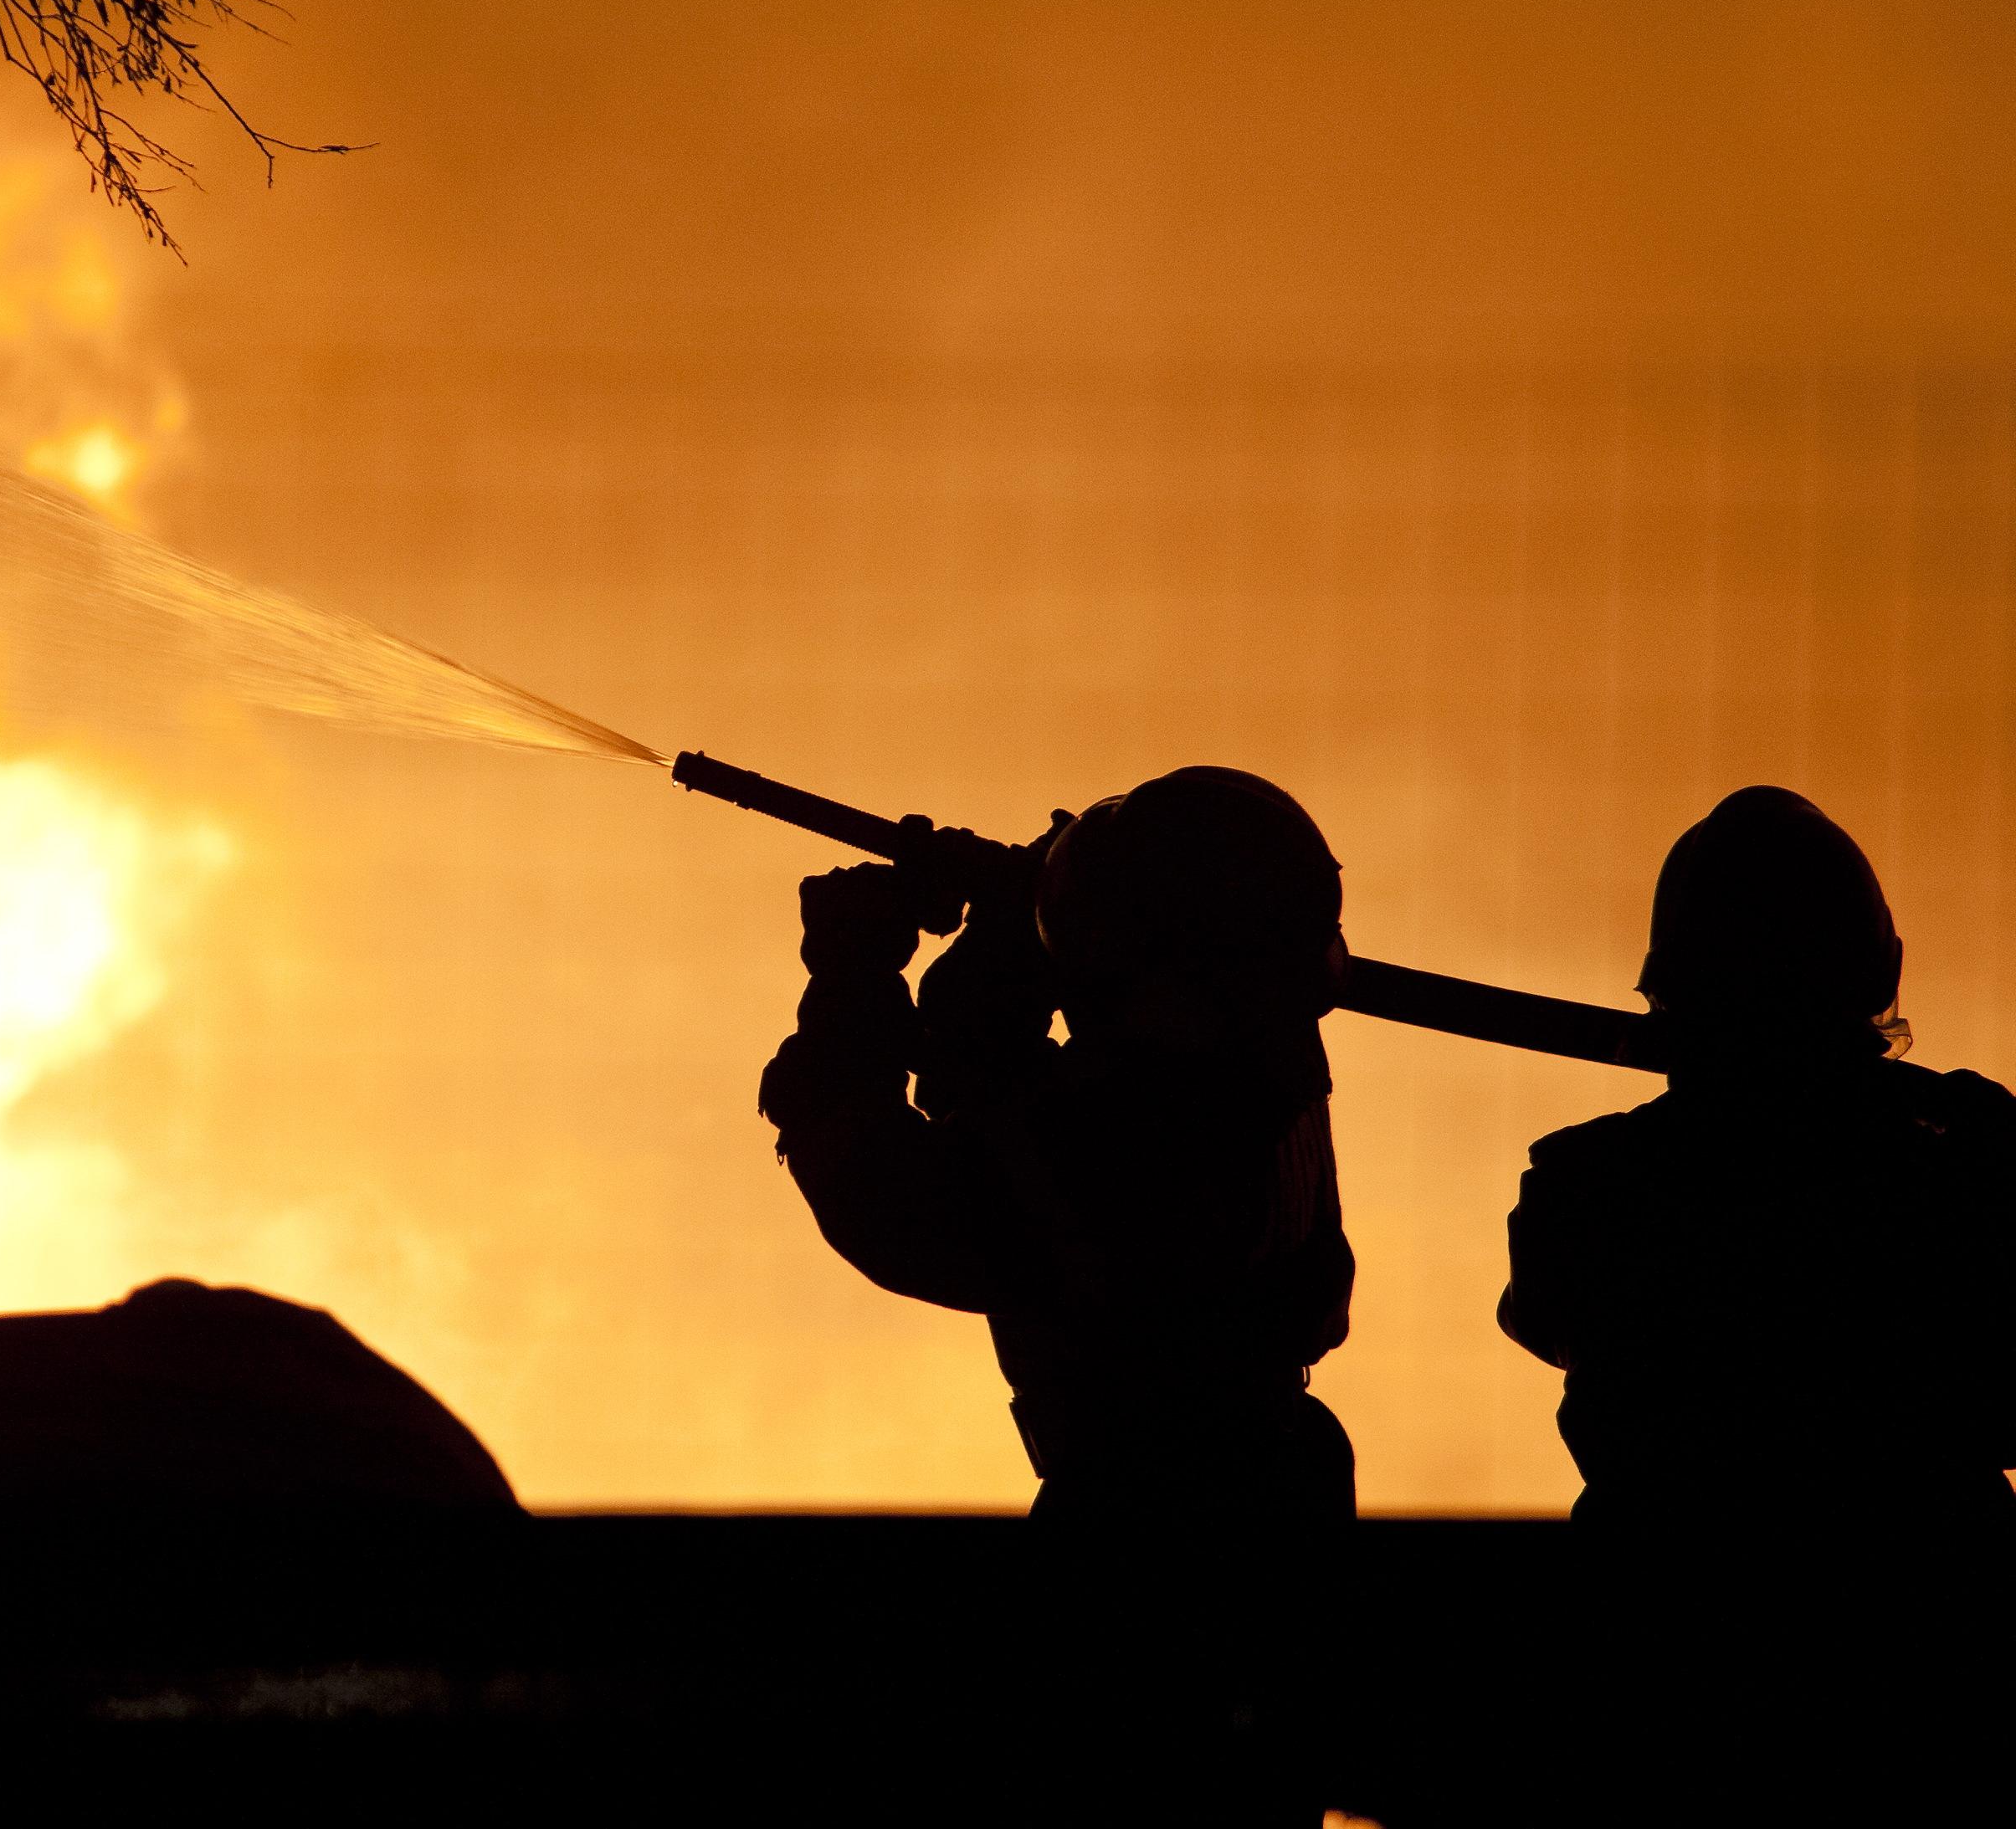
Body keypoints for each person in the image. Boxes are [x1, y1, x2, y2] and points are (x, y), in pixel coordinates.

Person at [757, 766, 1357, 1820]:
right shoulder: (1256, 1064)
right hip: (1262, 1512)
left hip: (1143, 1560)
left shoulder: (1137, 1135)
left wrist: (855, 975)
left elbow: (894, 1200)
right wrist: (1010, 926)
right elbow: (1012, 1086)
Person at [1497, 786, 2016, 1812]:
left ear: (1668, 994)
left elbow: (1545, 1314)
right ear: (1873, 979)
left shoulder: (1591, 1185)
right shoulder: (1967, 1162)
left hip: (1671, 1654)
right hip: (1932, 1647)